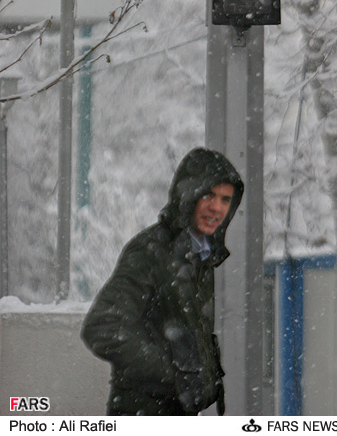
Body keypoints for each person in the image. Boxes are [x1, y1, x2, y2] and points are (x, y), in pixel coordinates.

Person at [81, 147, 244, 416]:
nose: (217, 208)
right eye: (208, 195)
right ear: (188, 195)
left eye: (225, 199)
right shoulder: (151, 250)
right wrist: (172, 374)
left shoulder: (200, 255)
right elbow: (102, 328)